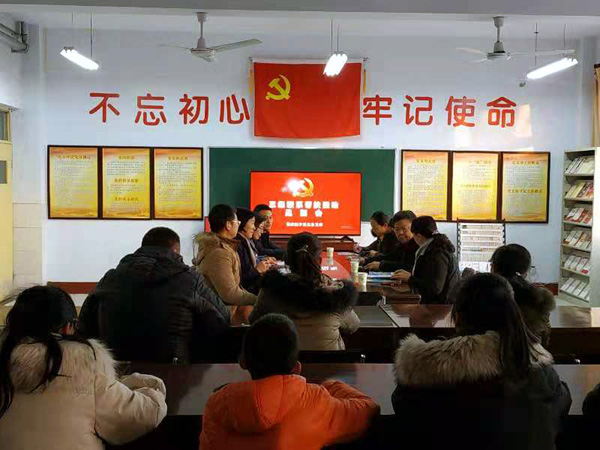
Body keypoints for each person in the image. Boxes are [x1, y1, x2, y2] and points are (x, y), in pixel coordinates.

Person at [391, 273, 572, 450]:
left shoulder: (425, 372)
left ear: (457, 317)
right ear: (512, 313)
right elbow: (562, 404)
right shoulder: (541, 372)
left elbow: (404, 410)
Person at [0, 286, 167, 450]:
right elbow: (135, 416)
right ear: (68, 327)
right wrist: (154, 388)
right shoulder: (84, 363)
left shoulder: (5, 360)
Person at [200, 314, 380, 450]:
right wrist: (330, 386)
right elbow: (368, 408)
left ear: (243, 362)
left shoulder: (216, 405)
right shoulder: (316, 402)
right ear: (296, 368)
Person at [79, 227, 230, 363]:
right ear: (175, 251)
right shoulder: (189, 280)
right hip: (174, 372)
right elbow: (222, 317)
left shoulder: (110, 279)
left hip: (117, 372)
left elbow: (85, 326)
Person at [249, 232, 360, 350]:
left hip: (285, 360)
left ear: (287, 260)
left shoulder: (270, 290)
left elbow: (254, 321)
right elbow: (353, 325)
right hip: (327, 361)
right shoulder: (336, 295)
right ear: (320, 261)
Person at [491, 244, 555, 347]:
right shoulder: (540, 300)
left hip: (488, 355)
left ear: (493, 268)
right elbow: (544, 339)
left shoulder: (481, 296)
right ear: (525, 271)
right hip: (533, 355)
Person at [194, 205, 258, 307]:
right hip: (220, 311)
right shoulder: (219, 254)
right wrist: (258, 301)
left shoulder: (223, 247)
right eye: (237, 222)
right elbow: (230, 294)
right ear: (228, 225)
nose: (238, 225)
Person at [392, 216, 459, 304]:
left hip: (441, 306)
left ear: (419, 236)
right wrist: (411, 276)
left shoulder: (437, 253)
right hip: (436, 303)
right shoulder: (434, 247)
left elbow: (434, 288)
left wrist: (410, 279)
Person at [235, 208, 276, 294]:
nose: (254, 228)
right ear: (243, 224)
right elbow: (242, 280)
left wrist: (262, 260)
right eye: (252, 223)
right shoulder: (238, 245)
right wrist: (257, 270)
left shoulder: (246, 242)